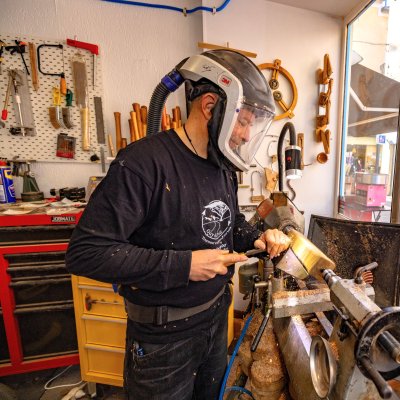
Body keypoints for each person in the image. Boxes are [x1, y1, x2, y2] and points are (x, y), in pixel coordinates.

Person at [65, 50, 291, 399]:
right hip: (163, 341)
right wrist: (185, 265)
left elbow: (227, 224)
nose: (247, 136)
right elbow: (86, 253)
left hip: (214, 321)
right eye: (243, 122)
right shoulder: (142, 163)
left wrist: (258, 237)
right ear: (210, 106)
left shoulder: (221, 167)